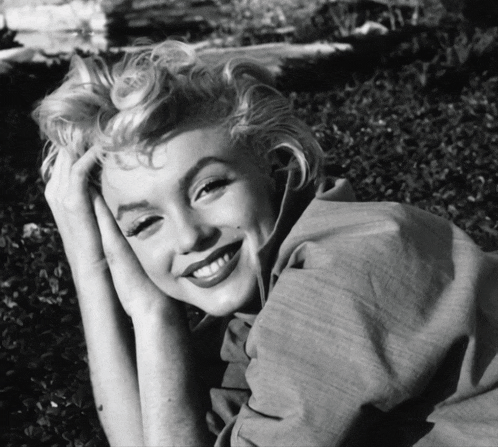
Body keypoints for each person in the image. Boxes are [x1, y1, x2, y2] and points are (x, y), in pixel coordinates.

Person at [34, 40, 498, 447]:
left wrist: (152, 317)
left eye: (209, 188)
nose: (190, 235)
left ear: (273, 164)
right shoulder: (255, 314)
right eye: (144, 224)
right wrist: (101, 275)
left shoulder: (345, 269)